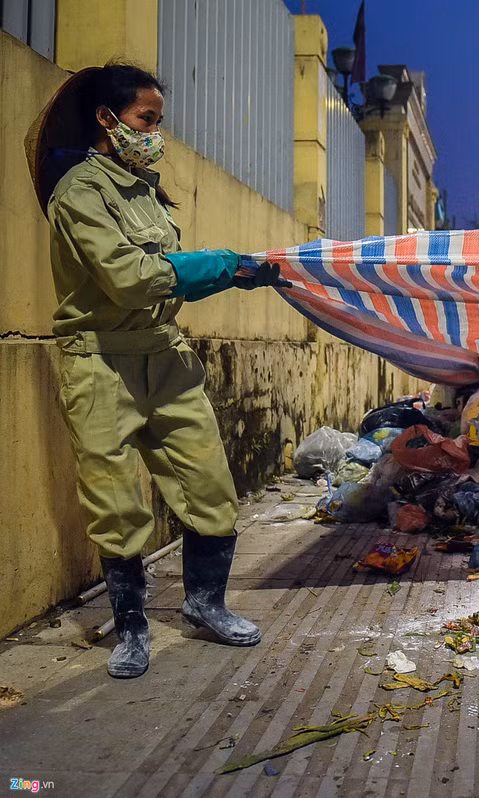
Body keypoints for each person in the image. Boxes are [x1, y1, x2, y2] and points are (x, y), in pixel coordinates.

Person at [26, 63, 288, 678]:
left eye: (158, 122)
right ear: (106, 118)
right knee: (117, 505)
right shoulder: (80, 193)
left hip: (164, 355)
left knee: (209, 485)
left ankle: (205, 604)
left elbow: (167, 271)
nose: (154, 134)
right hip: (101, 364)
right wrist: (219, 267)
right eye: (146, 120)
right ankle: (132, 625)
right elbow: (126, 279)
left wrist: (240, 273)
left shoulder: (145, 188)